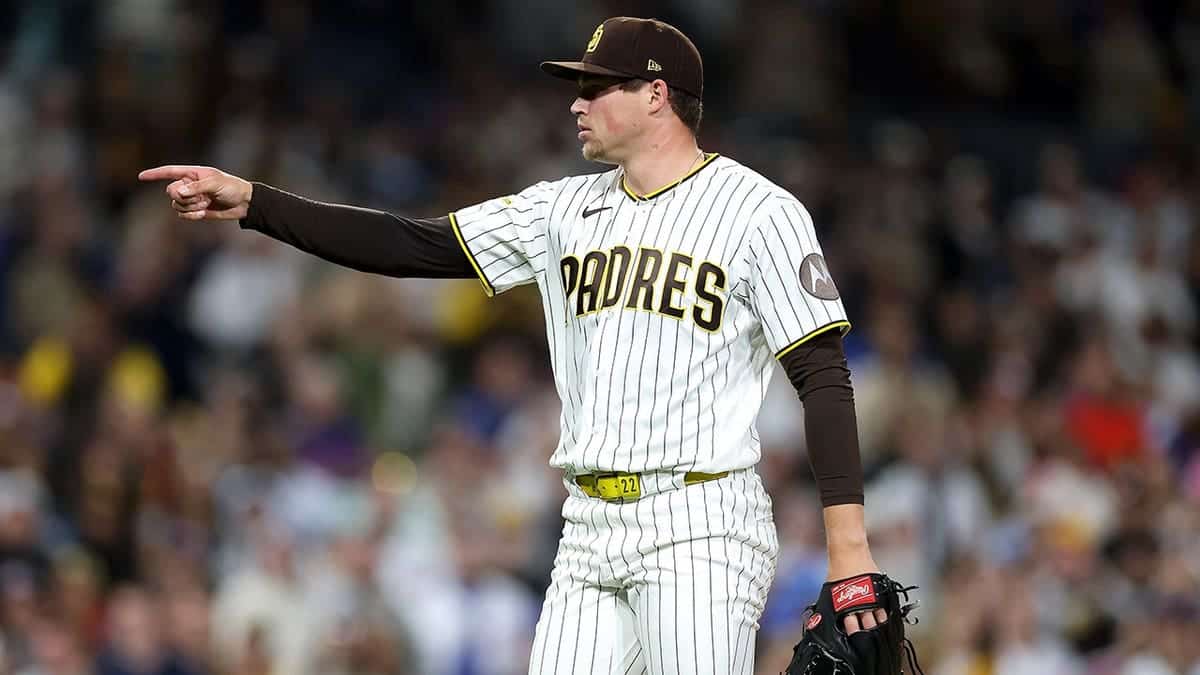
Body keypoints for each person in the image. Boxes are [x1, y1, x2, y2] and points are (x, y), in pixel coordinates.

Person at [140, 16, 889, 674]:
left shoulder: (760, 212)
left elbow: (823, 375)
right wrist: (257, 203)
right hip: (589, 522)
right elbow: (417, 245)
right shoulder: (561, 208)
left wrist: (847, 548)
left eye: (598, 87)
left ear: (656, 96)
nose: (577, 101)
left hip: (702, 520)